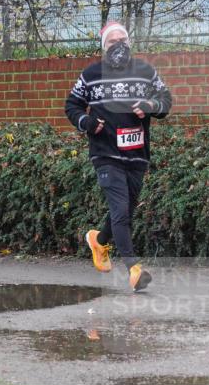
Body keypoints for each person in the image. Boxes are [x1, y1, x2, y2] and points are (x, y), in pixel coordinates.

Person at [64, 21, 172, 291]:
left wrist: (151, 106)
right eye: (113, 42)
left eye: (123, 40)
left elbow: (165, 100)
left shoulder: (145, 71)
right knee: (120, 209)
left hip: (136, 154)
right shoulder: (91, 75)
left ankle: (99, 240)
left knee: (124, 210)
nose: (119, 45)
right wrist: (86, 123)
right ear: (104, 47)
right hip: (105, 153)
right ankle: (133, 269)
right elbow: (72, 105)